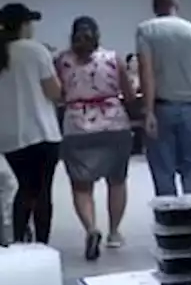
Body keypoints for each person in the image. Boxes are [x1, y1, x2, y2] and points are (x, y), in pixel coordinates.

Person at [54, 16, 135, 259]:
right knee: (117, 181)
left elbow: (57, 94)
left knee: (81, 185)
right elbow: (129, 95)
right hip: (115, 125)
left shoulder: (60, 61)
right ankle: (114, 233)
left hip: (77, 127)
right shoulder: (114, 59)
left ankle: (91, 228)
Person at [136, 0, 191, 197]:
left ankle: (171, 220)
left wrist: (148, 111)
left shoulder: (146, 30)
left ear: (153, 6)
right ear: (176, 4)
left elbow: (146, 72)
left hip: (162, 109)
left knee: (163, 169)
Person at [0, 3, 61, 244]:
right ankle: (41, 245)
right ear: (24, 25)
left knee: (24, 189)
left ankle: (17, 242)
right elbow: (54, 91)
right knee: (42, 191)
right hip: (42, 133)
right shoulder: (35, 51)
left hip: (10, 137)